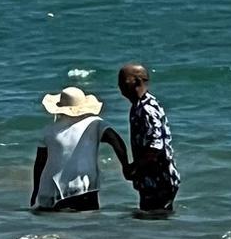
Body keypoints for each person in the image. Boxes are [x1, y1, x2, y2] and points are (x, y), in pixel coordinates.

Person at [31, 86, 130, 213]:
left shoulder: (48, 130)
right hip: (85, 189)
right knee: (88, 227)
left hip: (54, 192)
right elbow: (116, 141)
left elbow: (40, 163)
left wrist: (35, 191)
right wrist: (126, 166)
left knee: (57, 230)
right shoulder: (95, 123)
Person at [118, 62, 180, 217]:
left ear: (138, 82)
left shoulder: (147, 108)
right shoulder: (138, 106)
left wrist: (135, 168)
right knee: (150, 223)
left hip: (159, 181)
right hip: (151, 180)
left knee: (155, 222)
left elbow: (155, 146)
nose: (119, 86)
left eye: (124, 81)